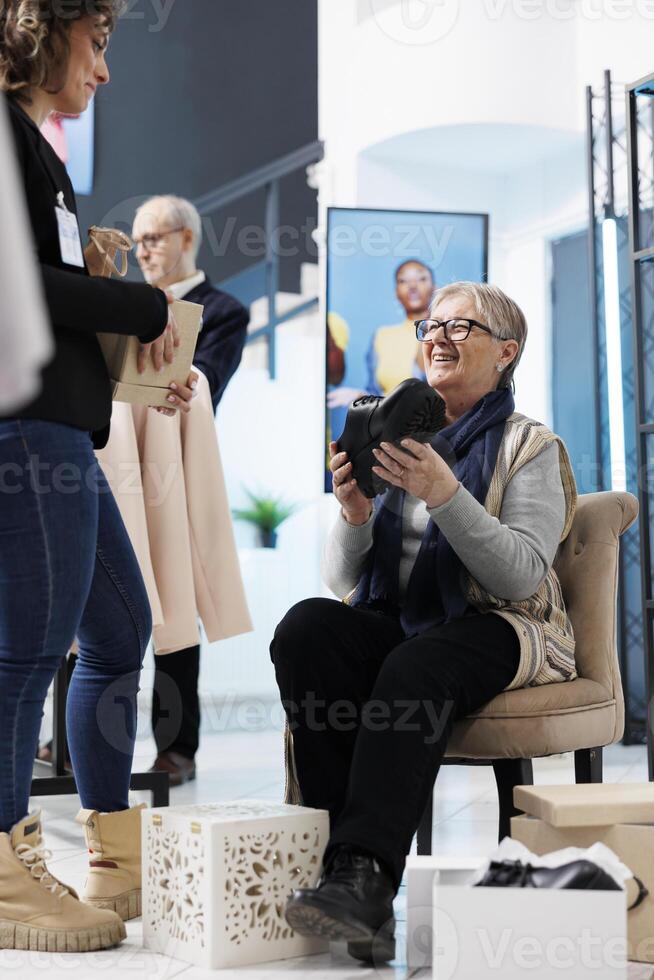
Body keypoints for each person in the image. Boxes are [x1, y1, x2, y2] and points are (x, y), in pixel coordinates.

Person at [271, 282, 578, 963]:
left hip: (501, 624)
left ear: (506, 352)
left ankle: (366, 874)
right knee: (306, 629)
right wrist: (353, 513)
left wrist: (445, 493)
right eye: (430, 326)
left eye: (460, 326)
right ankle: (346, 877)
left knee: (417, 663)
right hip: (406, 616)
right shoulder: (396, 433)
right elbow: (344, 582)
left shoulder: (531, 447)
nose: (436, 336)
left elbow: (520, 576)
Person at [0, 1, 196, 952]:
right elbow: (19, 281)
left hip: (61, 431)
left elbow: (47, 287)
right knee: (28, 652)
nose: (105, 71)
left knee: (119, 635)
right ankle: (5, 873)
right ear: (47, 30)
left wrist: (137, 359)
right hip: (24, 433)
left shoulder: (35, 149)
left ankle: (114, 857)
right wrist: (142, 299)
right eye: (101, 43)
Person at [131, 195, 250, 785]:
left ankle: (176, 747)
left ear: (185, 238)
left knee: (175, 607)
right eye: (137, 241)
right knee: (104, 596)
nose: (143, 250)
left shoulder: (224, 310)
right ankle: (76, 738)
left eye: (153, 238)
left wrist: (182, 379)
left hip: (176, 470)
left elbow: (209, 381)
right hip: (116, 464)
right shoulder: (124, 306)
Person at [326, 258, 433, 410]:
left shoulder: (444, 334)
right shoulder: (382, 336)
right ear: (396, 292)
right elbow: (374, 392)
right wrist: (361, 397)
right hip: (387, 430)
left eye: (421, 278)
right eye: (404, 281)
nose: (413, 286)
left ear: (434, 288)